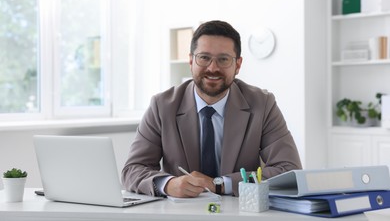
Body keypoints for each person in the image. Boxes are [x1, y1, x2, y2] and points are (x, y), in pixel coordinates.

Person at [121, 20, 302, 198]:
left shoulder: (262, 104)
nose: (213, 68)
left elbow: (289, 170)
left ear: (237, 65)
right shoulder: (162, 106)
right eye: (204, 57)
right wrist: (167, 184)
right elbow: (132, 170)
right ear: (191, 61)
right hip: (181, 213)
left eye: (223, 59)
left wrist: (222, 184)